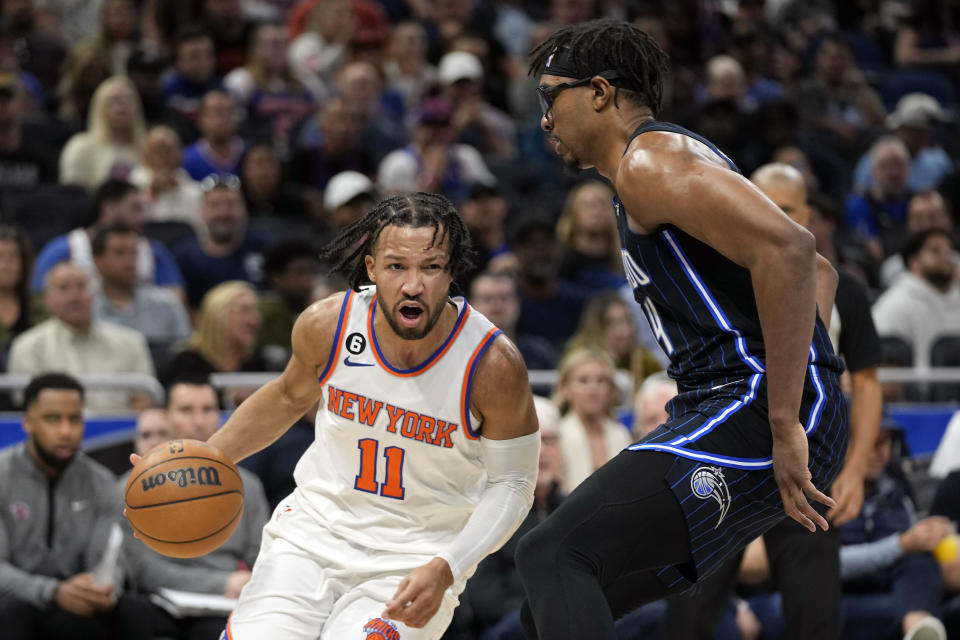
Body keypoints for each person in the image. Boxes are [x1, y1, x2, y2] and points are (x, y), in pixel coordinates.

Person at [515, 19, 847, 640]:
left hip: (746, 403)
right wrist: (810, 398)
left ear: (599, 92)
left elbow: (796, 253)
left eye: (549, 96)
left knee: (551, 554)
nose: (543, 121)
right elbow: (821, 274)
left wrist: (785, 418)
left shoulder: (650, 161)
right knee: (552, 601)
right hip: (732, 404)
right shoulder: (662, 162)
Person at [148, 192, 541, 639]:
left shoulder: (492, 365)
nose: (413, 285)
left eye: (431, 267)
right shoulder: (329, 325)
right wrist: (204, 456)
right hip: (310, 537)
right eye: (397, 266)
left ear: (451, 273)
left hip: (415, 560)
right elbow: (286, 398)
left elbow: (513, 483)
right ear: (372, 269)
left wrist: (449, 566)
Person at [666, 162, 883, 640]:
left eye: (784, 208)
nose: (773, 216)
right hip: (723, 458)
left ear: (806, 213)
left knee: (816, 617)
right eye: (762, 204)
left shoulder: (841, 287)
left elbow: (866, 384)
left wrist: (855, 470)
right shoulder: (713, 280)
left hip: (809, 464)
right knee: (689, 616)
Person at [0, 373, 153, 640]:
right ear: (28, 422)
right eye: (52, 419)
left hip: (78, 602)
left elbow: (109, 557)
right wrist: (53, 592)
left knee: (138, 615)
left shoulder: (100, 481)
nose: (65, 431)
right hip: (17, 602)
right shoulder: (3, 475)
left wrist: (103, 589)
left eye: (74, 419)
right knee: (14, 612)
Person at [125, 376, 270, 640]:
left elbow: (262, 559)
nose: (198, 420)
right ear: (165, 417)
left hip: (229, 605)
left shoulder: (247, 484)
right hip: (158, 604)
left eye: (207, 409)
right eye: (186, 410)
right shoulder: (132, 487)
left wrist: (246, 584)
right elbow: (142, 568)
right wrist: (221, 583)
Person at [838, 421, 950, 640]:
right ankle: (917, 626)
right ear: (847, 444)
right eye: (872, 442)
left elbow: (911, 543)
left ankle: (919, 627)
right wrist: (901, 544)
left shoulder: (896, 487)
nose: (880, 453)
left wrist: (931, 533)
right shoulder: (824, 491)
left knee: (921, 560)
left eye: (885, 442)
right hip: (835, 591)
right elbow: (826, 564)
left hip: (896, 586)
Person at [9, 262, 155, 412]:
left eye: (81, 286)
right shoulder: (27, 347)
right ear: (47, 299)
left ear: (95, 293)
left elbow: (143, 403)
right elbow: (29, 408)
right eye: (63, 288)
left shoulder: (132, 343)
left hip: (125, 433)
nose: (74, 296)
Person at [172, 173, 266, 308]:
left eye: (231, 204)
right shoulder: (184, 259)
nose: (224, 213)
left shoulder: (263, 250)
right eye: (215, 205)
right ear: (202, 211)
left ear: (244, 209)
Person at [872, 229, 960, 368]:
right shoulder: (894, 305)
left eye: (949, 250)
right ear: (914, 263)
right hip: (916, 388)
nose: (946, 257)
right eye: (935, 251)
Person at [92, 224, 191, 345]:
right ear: (97, 260)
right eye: (119, 253)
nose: (129, 262)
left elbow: (185, 351)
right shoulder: (86, 308)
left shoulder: (166, 304)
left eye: (134, 253)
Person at [552, 347, 633, 495]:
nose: (593, 389)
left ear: (611, 390)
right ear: (565, 389)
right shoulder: (555, 436)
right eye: (583, 381)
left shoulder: (621, 435)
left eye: (601, 381)